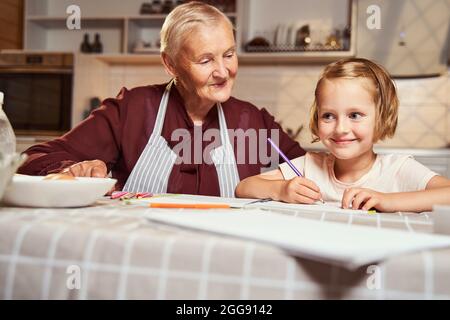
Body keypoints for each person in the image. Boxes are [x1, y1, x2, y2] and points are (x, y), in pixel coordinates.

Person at [17, 1, 304, 197]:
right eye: (205, 60)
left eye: (229, 55)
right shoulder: (132, 109)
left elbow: (308, 169)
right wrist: (74, 169)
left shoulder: (251, 120)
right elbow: (33, 157)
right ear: (170, 64)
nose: (223, 71)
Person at [236, 58, 450, 212]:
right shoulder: (308, 167)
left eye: (355, 115)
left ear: (381, 117)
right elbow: (243, 187)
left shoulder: (397, 170)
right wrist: (281, 189)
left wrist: (388, 201)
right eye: (328, 116)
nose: (340, 128)